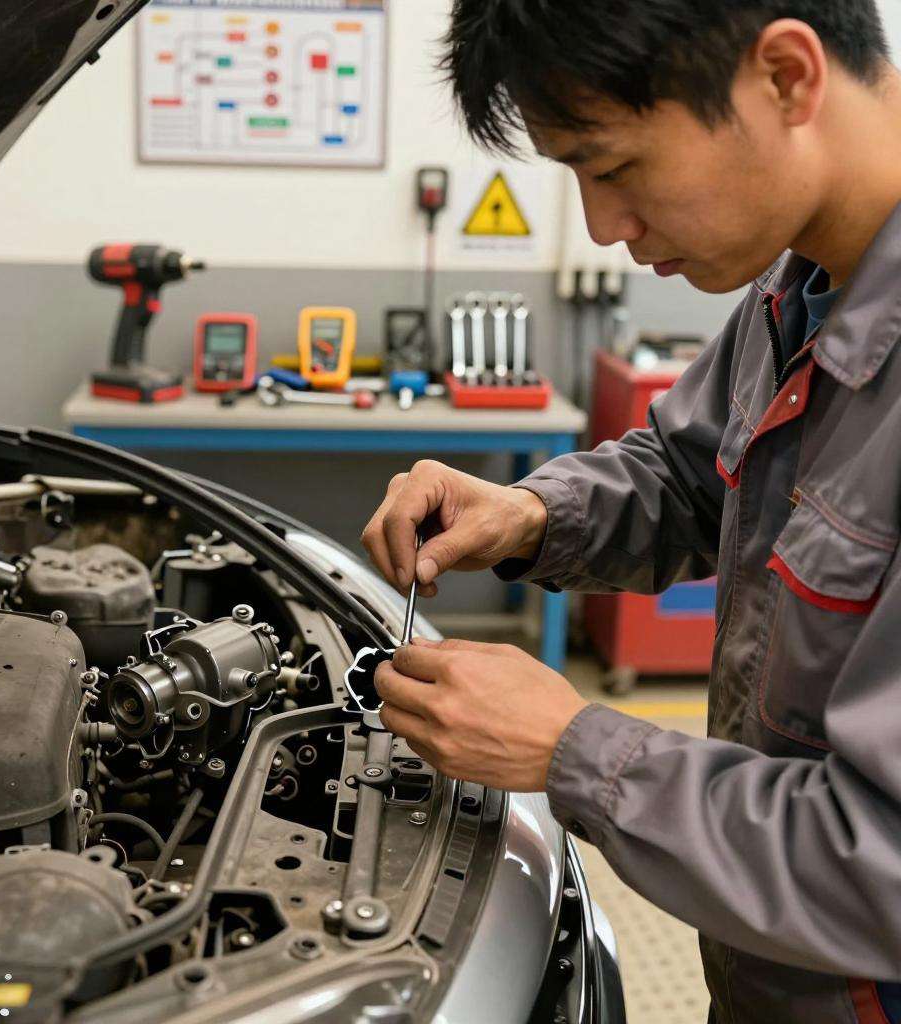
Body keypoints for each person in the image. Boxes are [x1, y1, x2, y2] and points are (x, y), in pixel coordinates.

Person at [360, 2, 901, 1022]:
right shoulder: (802, 287)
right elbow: (692, 473)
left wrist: (573, 747)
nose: (605, 227)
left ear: (786, 77)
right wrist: (525, 512)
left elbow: (883, 862)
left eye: (610, 168)